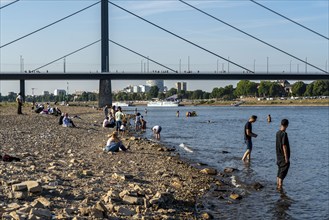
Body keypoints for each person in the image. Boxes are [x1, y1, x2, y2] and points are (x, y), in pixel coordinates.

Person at [276, 119, 290, 190]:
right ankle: (280, 189)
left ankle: (278, 187)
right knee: (282, 173)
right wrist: (286, 157)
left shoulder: (277, 133)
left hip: (278, 156)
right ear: (287, 125)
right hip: (283, 157)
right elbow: (284, 146)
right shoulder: (284, 134)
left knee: (279, 172)